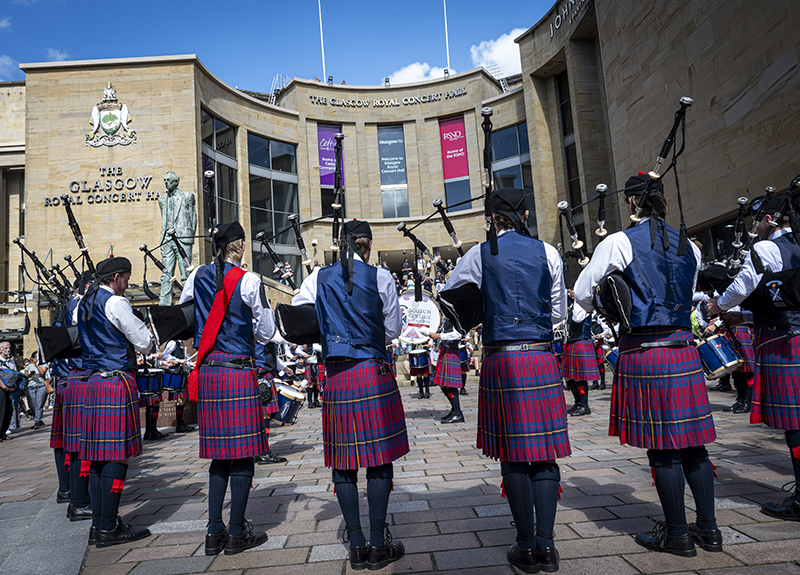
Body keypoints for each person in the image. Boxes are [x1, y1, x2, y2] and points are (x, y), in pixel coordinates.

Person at [575, 172, 719, 557]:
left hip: (644, 350)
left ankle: (677, 535)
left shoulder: (619, 241)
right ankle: (709, 530)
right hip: (683, 349)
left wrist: (611, 312)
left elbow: (584, 292)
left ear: (631, 203)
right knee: (695, 446)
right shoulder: (691, 244)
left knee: (662, 449)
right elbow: (687, 296)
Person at [442, 187, 569, 573]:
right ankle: (547, 547)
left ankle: (525, 546)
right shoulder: (549, 252)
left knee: (514, 457)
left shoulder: (478, 254)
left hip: (502, 359)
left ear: (493, 220)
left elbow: (450, 297)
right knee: (544, 455)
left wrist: (484, 310)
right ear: (526, 215)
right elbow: (560, 311)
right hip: (541, 358)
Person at [293, 219, 407, 571]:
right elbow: (393, 330)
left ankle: (356, 545)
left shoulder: (317, 278)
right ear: (367, 245)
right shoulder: (382, 277)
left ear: (341, 245)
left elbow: (296, 318)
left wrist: (327, 330)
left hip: (338, 376)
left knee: (343, 464)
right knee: (379, 460)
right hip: (373, 374)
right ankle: (377, 542)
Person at [180, 221, 274, 555]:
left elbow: (185, 314)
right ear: (242, 246)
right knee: (244, 456)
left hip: (208, 372)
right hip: (236, 371)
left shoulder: (196, 276)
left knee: (219, 456)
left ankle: (212, 531)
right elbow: (266, 331)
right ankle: (236, 533)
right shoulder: (249, 280)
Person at [707, 192, 800, 522]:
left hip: (784, 340)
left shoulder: (766, 247)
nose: (755, 227)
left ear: (770, 220)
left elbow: (745, 284)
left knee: (795, 423)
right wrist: (744, 318)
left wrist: (719, 305)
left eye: (758, 221)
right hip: (791, 333)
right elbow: (778, 296)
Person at [78, 257, 154, 547]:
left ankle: (99, 525)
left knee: (97, 456)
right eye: (127, 279)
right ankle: (110, 528)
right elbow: (143, 342)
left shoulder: (87, 301)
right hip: (115, 380)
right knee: (116, 455)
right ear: (117, 277)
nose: (127, 285)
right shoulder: (116, 302)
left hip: (94, 381)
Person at [59, 272, 94, 521]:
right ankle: (80, 501)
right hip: (83, 375)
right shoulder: (83, 303)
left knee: (75, 445)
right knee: (84, 444)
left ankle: (75, 498)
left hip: (74, 376)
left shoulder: (72, 304)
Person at [158, 171, 197, 306]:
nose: (166, 182)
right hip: (166, 240)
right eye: (165, 180)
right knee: (166, 274)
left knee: (186, 272)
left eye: (169, 180)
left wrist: (189, 236)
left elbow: (193, 218)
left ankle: (188, 302)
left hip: (182, 238)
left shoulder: (187, 197)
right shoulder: (162, 200)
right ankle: (164, 304)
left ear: (176, 182)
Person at [562, 301, 599, 417]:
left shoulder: (582, 304)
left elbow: (578, 318)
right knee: (568, 376)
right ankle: (578, 403)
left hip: (581, 341)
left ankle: (584, 405)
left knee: (579, 376)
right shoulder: (572, 305)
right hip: (571, 341)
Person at [428, 319, 465, 423]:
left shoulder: (456, 316)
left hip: (451, 351)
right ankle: (454, 409)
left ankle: (458, 413)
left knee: (450, 385)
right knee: (443, 384)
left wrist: (439, 336)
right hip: (445, 351)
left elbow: (458, 335)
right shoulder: (446, 319)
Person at [160, 339, 196, 433]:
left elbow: (183, 359)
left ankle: (181, 422)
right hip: (176, 375)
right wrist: (179, 360)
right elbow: (165, 356)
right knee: (180, 399)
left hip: (181, 373)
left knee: (183, 399)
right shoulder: (172, 342)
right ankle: (179, 424)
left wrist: (190, 364)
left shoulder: (180, 343)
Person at [0, 341, 21, 441]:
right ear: (0, 350)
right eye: (6, 348)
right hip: (2, 389)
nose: (8, 350)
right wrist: (4, 387)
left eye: (9, 348)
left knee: (9, 411)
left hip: (12, 389)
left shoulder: (11, 361)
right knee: (1, 411)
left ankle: (3, 432)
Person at [25, 352, 50, 429]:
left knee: (39, 405)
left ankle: (37, 421)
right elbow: (25, 377)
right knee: (32, 405)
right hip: (30, 386)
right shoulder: (28, 366)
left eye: (38, 357)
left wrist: (36, 365)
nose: (37, 358)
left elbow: (42, 373)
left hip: (41, 386)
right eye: (35, 357)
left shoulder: (44, 365)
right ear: (32, 358)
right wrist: (30, 375)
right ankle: (39, 420)